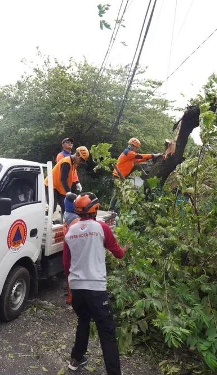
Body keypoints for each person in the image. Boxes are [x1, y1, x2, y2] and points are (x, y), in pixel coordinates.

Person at [63, 192, 127, 374]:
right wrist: (125, 249)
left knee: (83, 320)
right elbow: (118, 253)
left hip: (77, 288)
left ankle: (76, 359)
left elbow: (66, 264)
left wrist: (69, 290)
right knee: (106, 330)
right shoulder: (101, 228)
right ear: (95, 209)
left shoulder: (70, 232)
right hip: (96, 289)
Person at [110, 137, 162, 211]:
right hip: (118, 176)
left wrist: (150, 158)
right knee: (118, 193)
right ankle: (112, 209)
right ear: (132, 146)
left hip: (121, 175)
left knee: (120, 193)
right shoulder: (128, 153)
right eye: (136, 147)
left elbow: (139, 159)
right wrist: (153, 155)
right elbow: (139, 156)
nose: (137, 149)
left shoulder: (129, 154)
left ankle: (115, 209)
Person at [45, 146, 89, 217]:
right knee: (52, 207)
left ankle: (64, 223)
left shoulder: (74, 164)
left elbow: (71, 177)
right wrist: (68, 192)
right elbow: (63, 179)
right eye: (81, 160)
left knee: (66, 207)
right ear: (77, 154)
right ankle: (45, 222)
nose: (81, 162)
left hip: (59, 187)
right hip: (52, 185)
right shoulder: (66, 162)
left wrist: (76, 182)